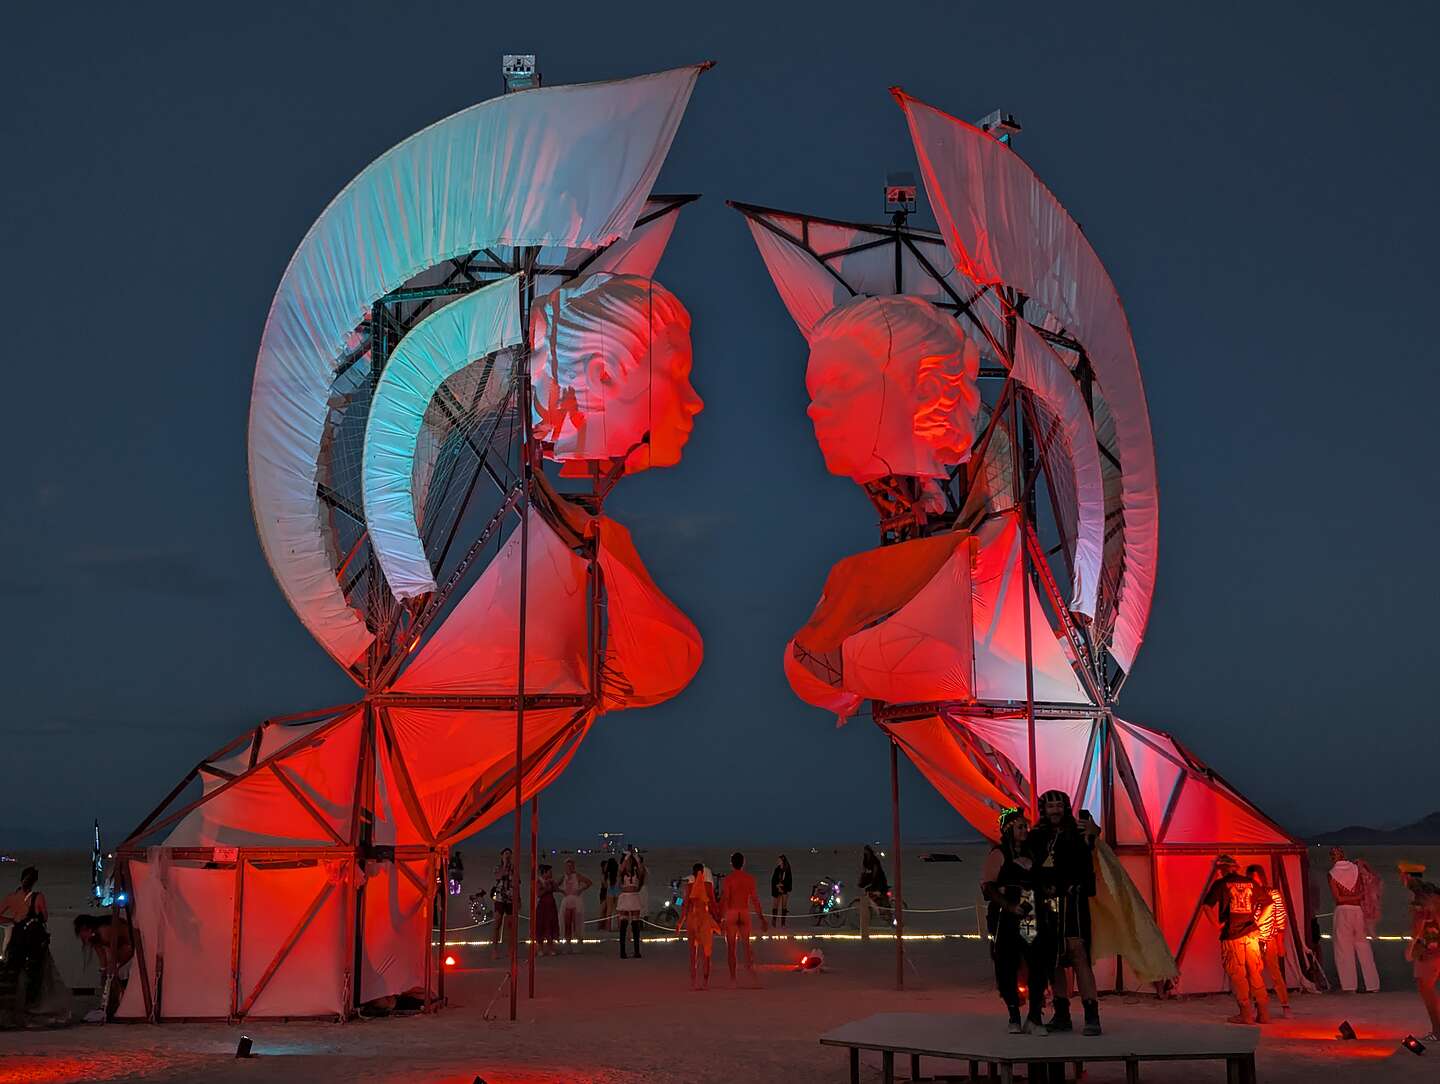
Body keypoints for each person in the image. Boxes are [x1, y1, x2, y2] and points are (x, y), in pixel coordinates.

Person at [1025, 791, 1103, 1036]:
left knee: (1078, 953)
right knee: (1053, 958)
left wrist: (1094, 832)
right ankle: (1062, 1014)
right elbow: (1029, 864)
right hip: (1047, 903)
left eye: (1059, 805)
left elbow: (1090, 856)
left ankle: (1092, 1016)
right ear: (1044, 810)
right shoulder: (1037, 837)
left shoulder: (1078, 832)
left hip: (1073, 902)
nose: (1055, 810)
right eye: (1051, 807)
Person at [982, 808, 1051, 1034]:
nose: (1025, 830)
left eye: (1026, 826)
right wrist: (1010, 906)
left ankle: (1034, 1016)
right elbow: (988, 886)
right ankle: (1013, 1013)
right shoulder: (999, 853)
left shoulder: (1032, 853)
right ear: (1010, 830)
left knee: (1036, 961)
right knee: (1007, 962)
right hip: (1006, 914)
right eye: (1020, 826)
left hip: (1029, 912)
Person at [1203, 855, 1269, 1024]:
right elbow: (1268, 904)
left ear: (1223, 869)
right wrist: (1258, 922)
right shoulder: (1251, 883)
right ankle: (1263, 1013)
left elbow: (1206, 906)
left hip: (1232, 936)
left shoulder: (1221, 884)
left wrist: (1216, 925)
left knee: (1238, 975)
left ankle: (1245, 1014)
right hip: (1251, 935)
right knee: (1255, 973)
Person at [0, 867, 69, 1027]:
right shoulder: (38, 897)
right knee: (37, 973)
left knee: (14, 972)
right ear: (35, 881)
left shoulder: (12, 897)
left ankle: (12, 1009)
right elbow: (44, 916)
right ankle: (32, 1008)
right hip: (33, 940)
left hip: (17, 937)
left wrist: (13, 921)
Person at [1328, 847, 1380, 992]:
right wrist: (1360, 896)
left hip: (1343, 911)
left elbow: (1338, 898)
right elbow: (1370, 881)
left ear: (1332, 857)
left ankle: (1349, 986)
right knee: (1364, 947)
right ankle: (1373, 985)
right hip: (1358, 911)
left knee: (1344, 949)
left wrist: (1354, 897)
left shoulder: (1332, 874)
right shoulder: (1356, 869)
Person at [1399, 861, 1440, 1042]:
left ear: (1408, 877)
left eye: (1402, 876)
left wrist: (1410, 947)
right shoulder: (1435, 895)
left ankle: (1438, 1031)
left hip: (1429, 950)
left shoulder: (1419, 900)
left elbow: (1419, 924)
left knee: (1427, 990)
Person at [1246, 865, 1291, 1016]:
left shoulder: (1272, 893)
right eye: (1252, 878)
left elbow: (1280, 918)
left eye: (1257, 878)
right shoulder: (1248, 894)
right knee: (1253, 973)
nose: (1255, 881)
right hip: (1253, 939)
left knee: (1275, 973)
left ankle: (1285, 1004)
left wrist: (1280, 942)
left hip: (1269, 938)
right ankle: (1256, 1004)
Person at [72, 913, 134, 1022]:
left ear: (88, 928)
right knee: (108, 979)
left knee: (116, 978)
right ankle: (108, 1006)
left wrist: (114, 967)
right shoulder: (94, 938)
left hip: (128, 948)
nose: (82, 935)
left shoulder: (104, 931)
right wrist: (103, 970)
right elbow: (101, 955)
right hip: (119, 953)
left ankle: (116, 1005)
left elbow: (116, 950)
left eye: (83, 931)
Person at [720, 852, 770, 986]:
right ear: (743, 863)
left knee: (731, 948)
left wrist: (720, 918)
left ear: (732, 863)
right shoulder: (749, 879)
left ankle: (733, 979)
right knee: (746, 946)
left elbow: (725, 899)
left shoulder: (729, 879)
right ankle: (752, 975)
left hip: (732, 913)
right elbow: (755, 900)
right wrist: (762, 918)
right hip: (744, 912)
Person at [678, 861, 723, 990]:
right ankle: (705, 981)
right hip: (704, 919)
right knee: (706, 953)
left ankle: (693, 981)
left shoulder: (690, 886)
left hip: (692, 919)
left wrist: (680, 922)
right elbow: (713, 905)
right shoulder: (708, 885)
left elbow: (686, 904)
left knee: (693, 952)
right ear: (703, 873)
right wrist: (718, 918)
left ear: (693, 874)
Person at [616, 853, 645, 959]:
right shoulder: (622, 872)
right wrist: (627, 857)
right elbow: (620, 868)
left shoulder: (637, 872)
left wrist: (637, 858)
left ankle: (637, 951)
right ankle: (622, 951)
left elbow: (641, 870)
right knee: (623, 924)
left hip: (634, 897)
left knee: (635, 925)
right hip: (624, 897)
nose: (628, 863)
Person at [560, 859, 592, 952]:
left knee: (576, 922)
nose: (569, 868)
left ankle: (578, 943)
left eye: (570, 866)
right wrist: (562, 891)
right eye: (567, 866)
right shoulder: (564, 876)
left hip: (576, 900)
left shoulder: (577, 876)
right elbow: (555, 885)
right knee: (567, 923)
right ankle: (568, 944)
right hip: (567, 900)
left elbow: (589, 882)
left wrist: (581, 890)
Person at [858, 845, 889, 941]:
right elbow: (864, 873)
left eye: (866, 852)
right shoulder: (866, 862)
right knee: (869, 895)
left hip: (879, 881)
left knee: (875, 894)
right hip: (871, 882)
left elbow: (875, 874)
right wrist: (862, 882)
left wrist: (871, 882)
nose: (865, 854)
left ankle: (884, 913)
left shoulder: (875, 861)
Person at [491, 848, 515, 960]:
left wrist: (518, 898)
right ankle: (495, 950)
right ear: (502, 856)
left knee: (510, 926)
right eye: (506, 854)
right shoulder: (498, 867)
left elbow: (516, 883)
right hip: (500, 898)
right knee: (497, 923)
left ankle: (510, 950)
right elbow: (497, 877)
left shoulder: (514, 868)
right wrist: (504, 865)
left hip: (510, 898)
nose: (508, 856)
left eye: (509, 854)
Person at [534, 864, 560, 956]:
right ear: (545, 872)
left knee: (551, 925)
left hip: (551, 904)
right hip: (543, 905)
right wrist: (547, 888)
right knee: (541, 925)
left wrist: (554, 883)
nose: (551, 873)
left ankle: (551, 948)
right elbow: (538, 894)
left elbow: (557, 889)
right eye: (550, 872)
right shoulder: (539, 881)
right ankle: (540, 948)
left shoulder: (551, 881)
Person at [771, 855, 793, 930]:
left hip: (784, 890)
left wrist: (783, 886)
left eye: (779, 860)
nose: (778, 861)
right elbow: (773, 880)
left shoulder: (787, 870)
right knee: (775, 906)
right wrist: (777, 885)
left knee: (784, 907)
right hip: (777, 890)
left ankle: (783, 923)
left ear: (782, 861)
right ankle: (774, 921)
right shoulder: (777, 869)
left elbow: (789, 880)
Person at [598, 857, 619, 933]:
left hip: (610, 890)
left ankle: (608, 928)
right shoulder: (617, 872)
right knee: (618, 910)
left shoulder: (607, 873)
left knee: (609, 911)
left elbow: (605, 884)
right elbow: (620, 882)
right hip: (617, 890)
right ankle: (619, 927)